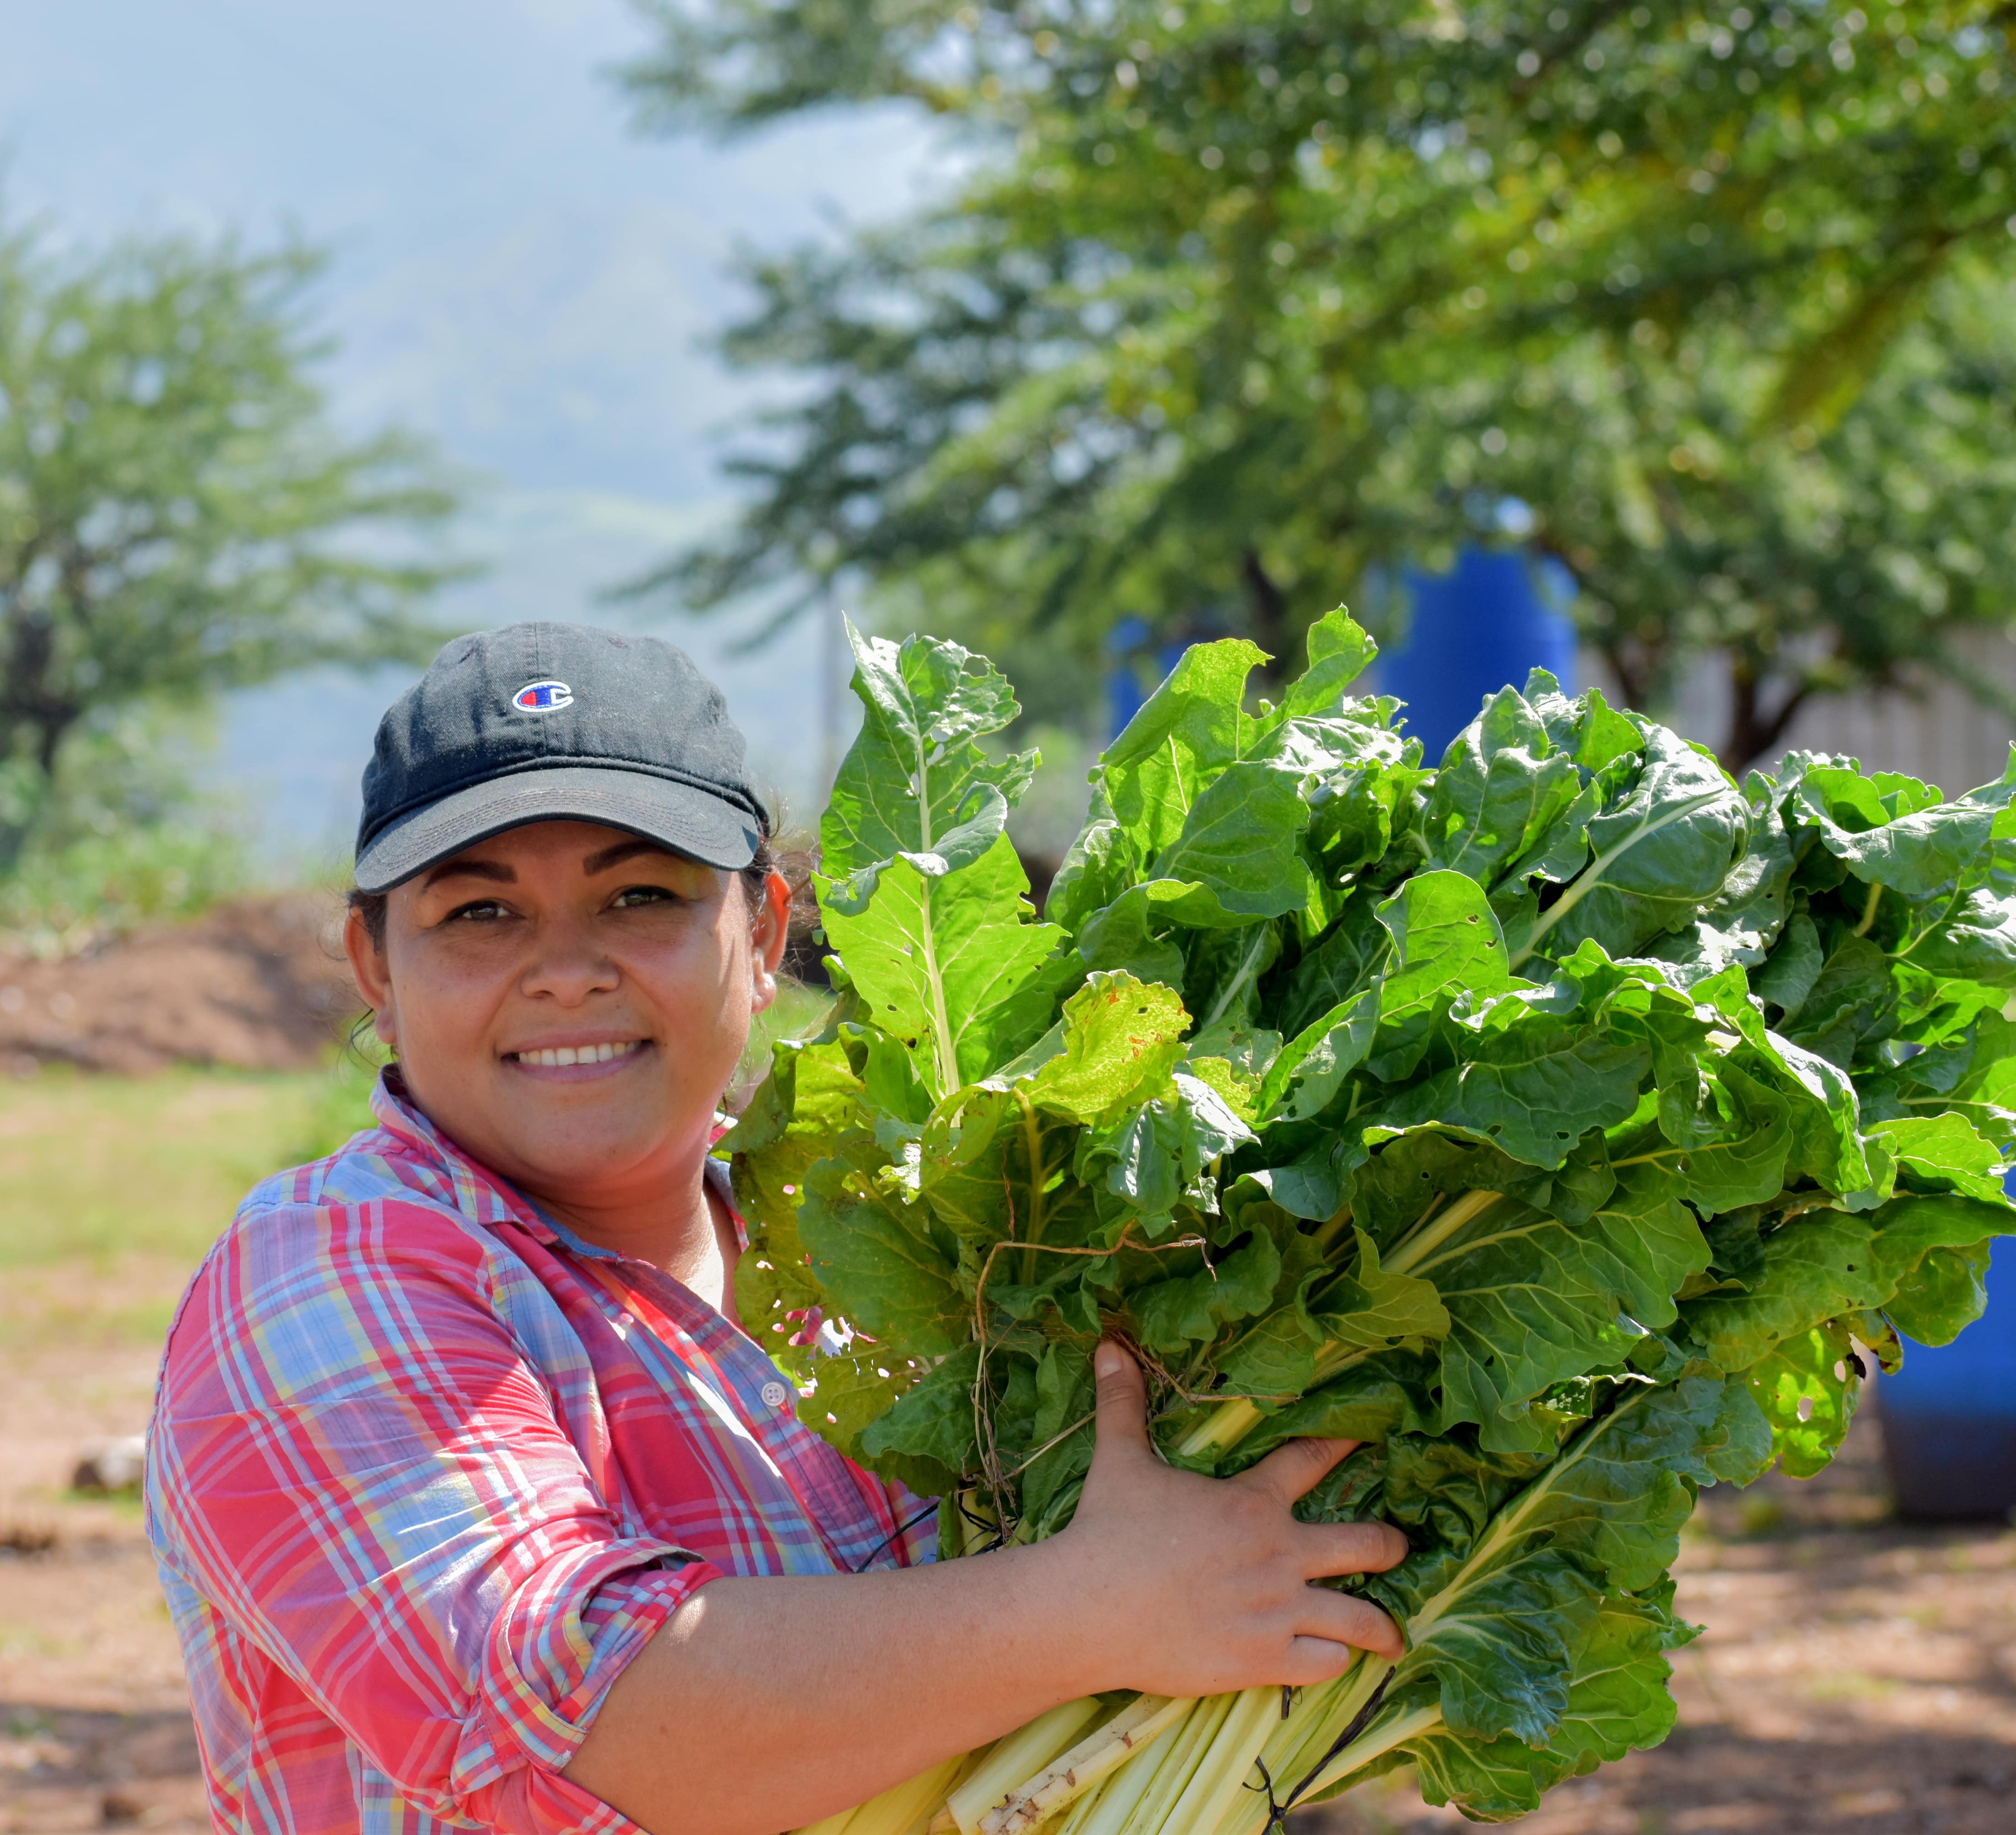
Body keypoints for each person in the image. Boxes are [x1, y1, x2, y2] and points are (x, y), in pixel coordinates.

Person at [145, 623, 1408, 1835]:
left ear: (762, 934)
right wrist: (1095, 1609)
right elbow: (602, 1713)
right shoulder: (322, 1274)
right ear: (375, 967)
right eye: (479, 914)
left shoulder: (904, 1237)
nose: (568, 969)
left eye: (639, 895)